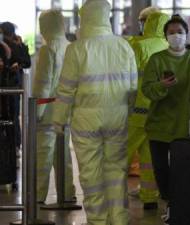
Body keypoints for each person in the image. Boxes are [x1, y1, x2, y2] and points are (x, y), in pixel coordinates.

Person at [51, 0, 138, 224]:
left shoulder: (78, 48)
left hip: (86, 121)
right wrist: (128, 114)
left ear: (85, 17)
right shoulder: (123, 46)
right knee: (116, 171)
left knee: (92, 174)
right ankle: (119, 218)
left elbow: (66, 88)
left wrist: (58, 120)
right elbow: (132, 88)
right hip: (117, 119)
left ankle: (98, 220)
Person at [142, 15, 190, 224]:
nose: (176, 36)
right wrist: (162, 85)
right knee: (162, 171)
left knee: (185, 170)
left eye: (179, 32)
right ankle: (169, 202)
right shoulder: (157, 59)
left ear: (187, 34)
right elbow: (147, 89)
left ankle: (180, 207)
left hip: (186, 125)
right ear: (165, 36)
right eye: (171, 33)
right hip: (159, 125)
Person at [126, 11, 170, 210]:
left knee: (121, 155)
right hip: (158, 113)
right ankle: (150, 197)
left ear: (149, 23)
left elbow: (128, 77)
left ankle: (112, 196)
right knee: (148, 158)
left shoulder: (139, 46)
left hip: (138, 111)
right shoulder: (169, 47)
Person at [32, 10, 76, 204]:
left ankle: (38, 195)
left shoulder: (48, 49)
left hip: (48, 110)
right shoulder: (70, 47)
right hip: (66, 109)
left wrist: (36, 112)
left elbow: (43, 85)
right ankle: (67, 194)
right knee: (63, 155)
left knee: (43, 154)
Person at [0, 22, 31, 150]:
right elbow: (26, 62)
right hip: (11, 86)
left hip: (10, 86)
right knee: (11, 117)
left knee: (10, 117)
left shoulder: (12, 46)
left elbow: (26, 62)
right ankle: (14, 145)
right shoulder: (15, 45)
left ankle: (14, 145)